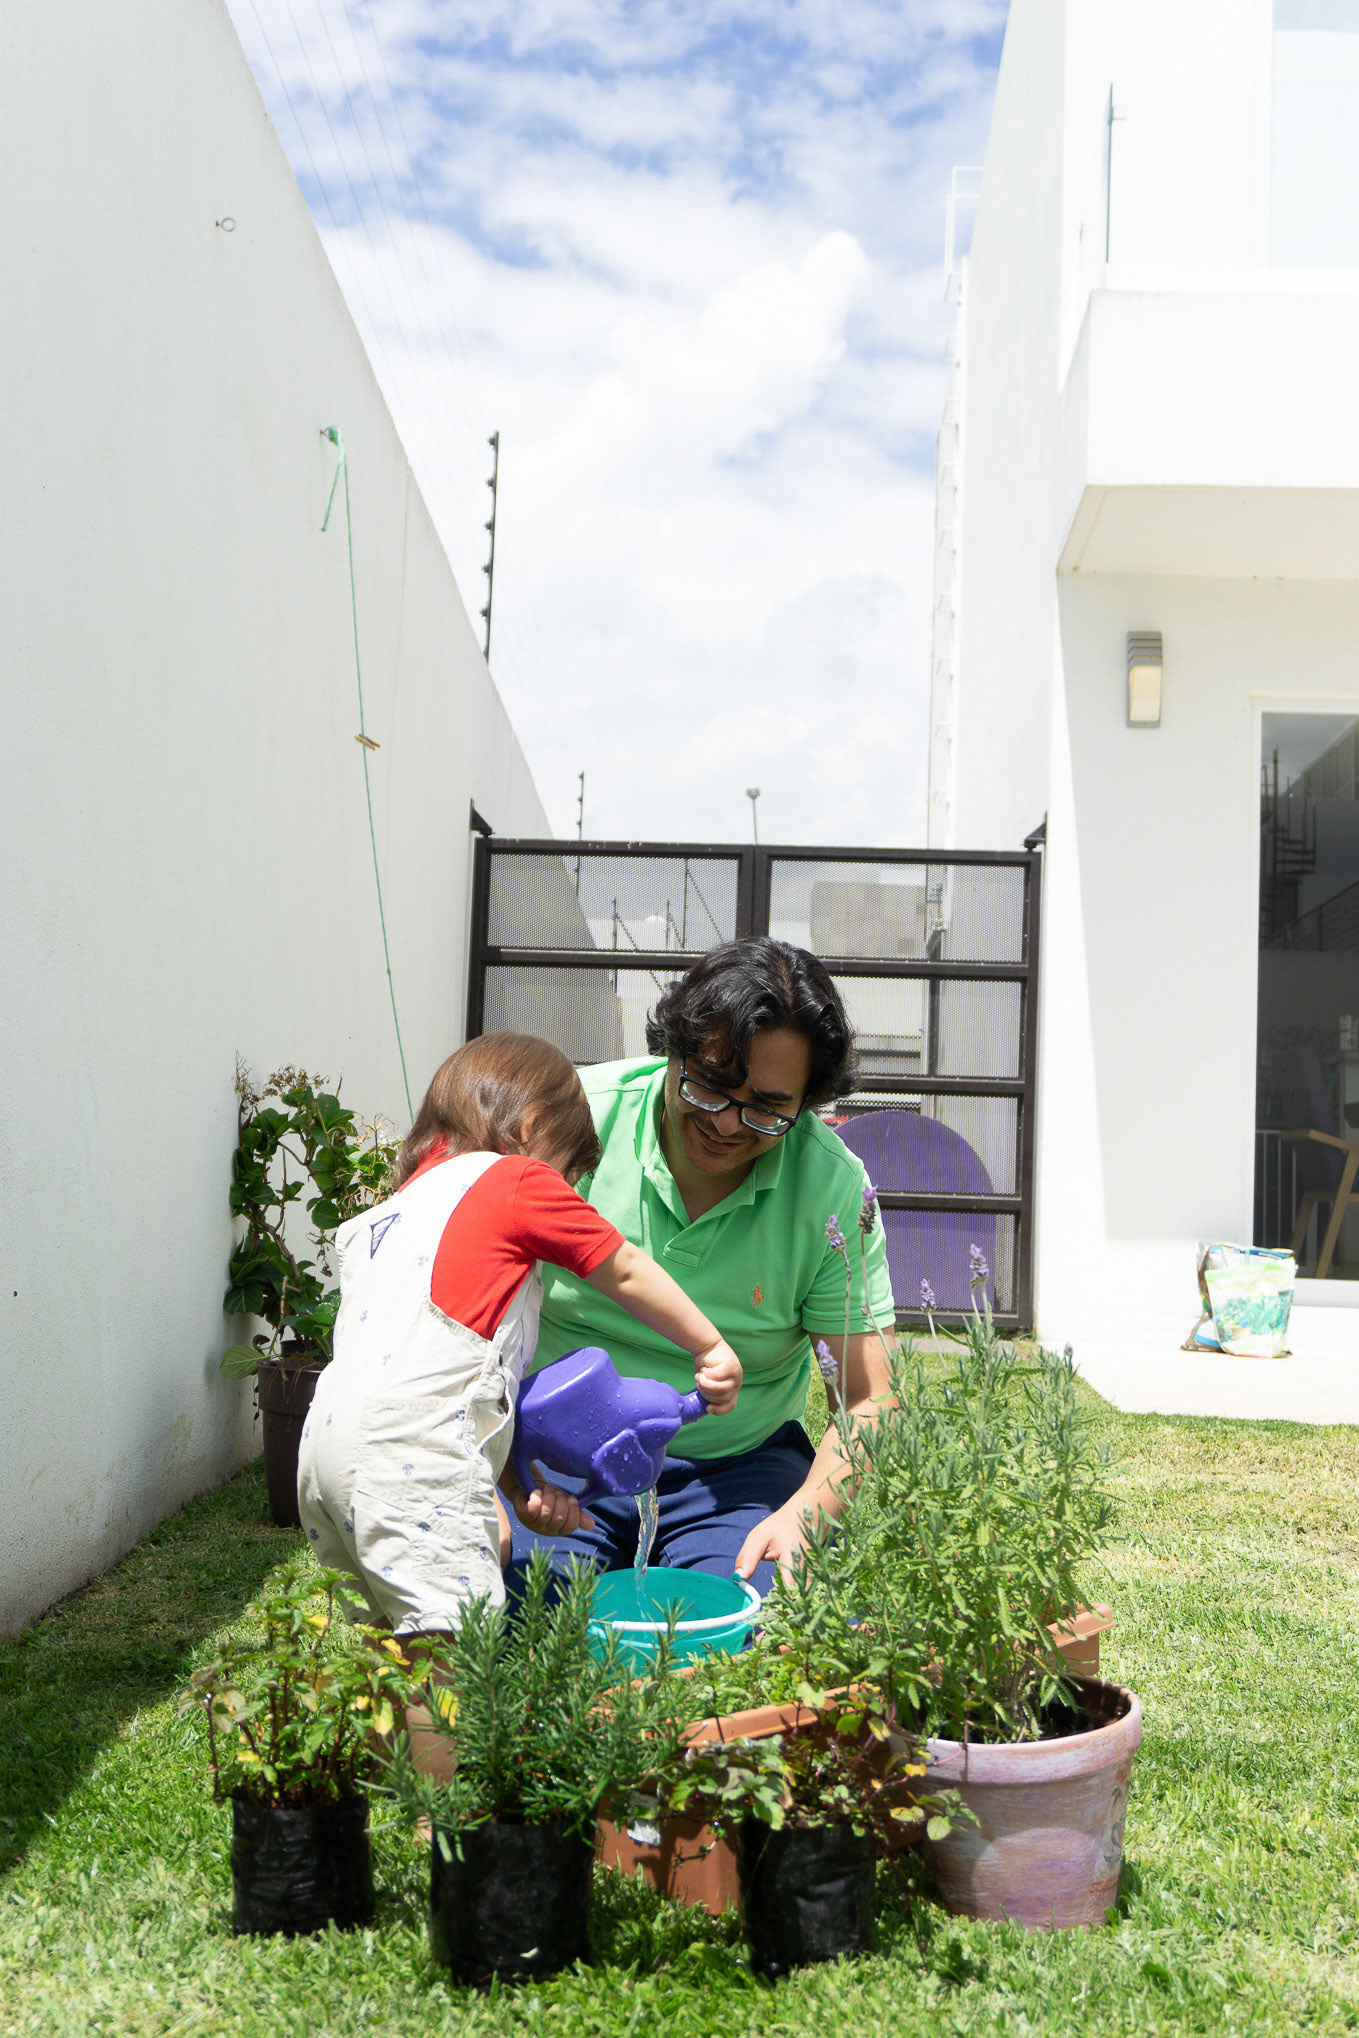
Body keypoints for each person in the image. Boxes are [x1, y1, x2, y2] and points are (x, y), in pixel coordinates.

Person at [296, 1032, 742, 1637]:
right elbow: (626, 1266)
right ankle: (457, 1738)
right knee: (453, 1662)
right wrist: (707, 1346)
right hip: (415, 1453)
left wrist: (509, 1483)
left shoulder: (386, 1217)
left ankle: (392, 1736)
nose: (566, 1188)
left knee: (393, 1663)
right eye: (567, 1171)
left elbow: (435, 1371)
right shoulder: (513, 1181)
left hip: (324, 1452)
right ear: (531, 1128)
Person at [505, 937, 895, 1600]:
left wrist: (804, 1514)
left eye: (768, 1108)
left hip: (732, 1475)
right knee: (508, 1620)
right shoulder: (566, 1125)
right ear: (672, 1050)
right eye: (708, 1084)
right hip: (549, 1460)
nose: (726, 1124)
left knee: (741, 1626)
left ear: (807, 1102)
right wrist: (494, 1479)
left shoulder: (830, 1187)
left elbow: (869, 1398)